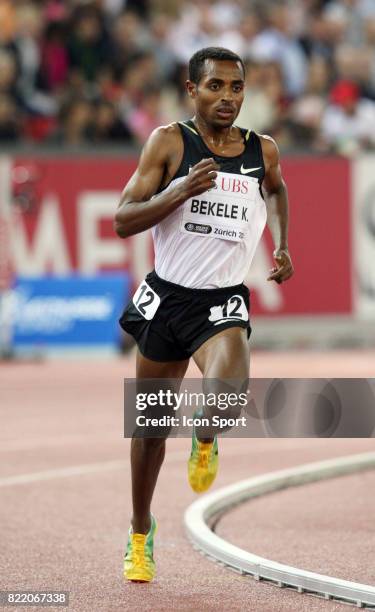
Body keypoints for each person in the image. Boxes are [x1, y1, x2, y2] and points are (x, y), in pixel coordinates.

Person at [114, 46, 294, 583]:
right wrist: (177, 191)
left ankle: (207, 436)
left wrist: (282, 244)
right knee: (149, 431)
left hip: (220, 300)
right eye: (215, 86)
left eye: (236, 88)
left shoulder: (263, 150)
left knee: (228, 396)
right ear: (192, 90)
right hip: (167, 300)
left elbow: (278, 189)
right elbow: (123, 220)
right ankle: (140, 534)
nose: (227, 98)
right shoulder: (170, 142)